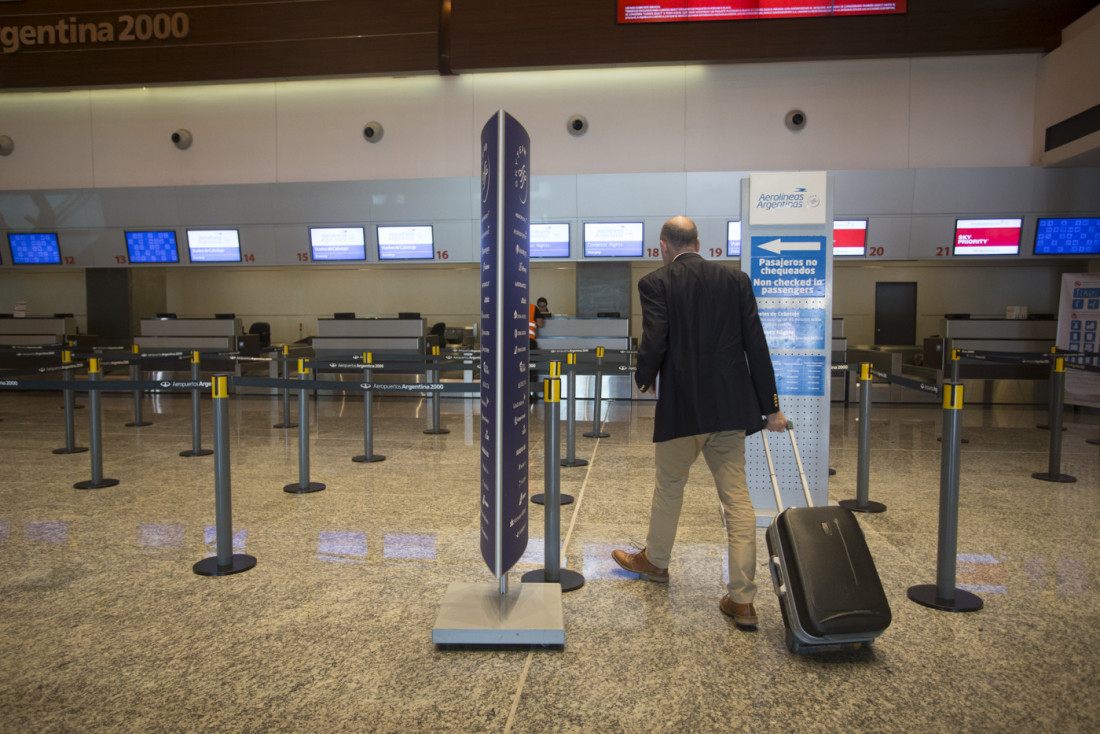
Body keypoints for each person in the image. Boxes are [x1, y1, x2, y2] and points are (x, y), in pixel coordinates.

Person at [611, 215, 786, 630]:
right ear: (699, 242)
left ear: (662, 246)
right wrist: (771, 407)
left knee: (670, 487)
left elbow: (656, 338)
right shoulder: (736, 281)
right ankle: (743, 600)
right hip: (730, 409)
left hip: (683, 409)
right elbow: (755, 345)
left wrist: (643, 378)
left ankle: (656, 562)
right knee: (737, 501)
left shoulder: (655, 283)